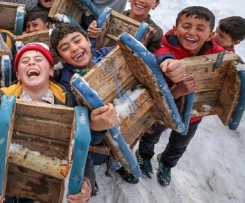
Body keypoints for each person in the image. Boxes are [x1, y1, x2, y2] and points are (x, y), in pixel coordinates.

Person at [50, 22, 185, 180]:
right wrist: (95, 128)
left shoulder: (110, 53)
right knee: (114, 154)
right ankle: (116, 164)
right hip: (104, 141)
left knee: (133, 138)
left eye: (77, 40)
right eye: (65, 48)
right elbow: (77, 130)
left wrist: (166, 62)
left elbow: (146, 57)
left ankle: (121, 162)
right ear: (61, 58)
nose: (73, 48)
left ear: (88, 39)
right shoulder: (67, 87)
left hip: (135, 115)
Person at [0, 42, 95, 203]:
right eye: (25, 62)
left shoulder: (68, 101)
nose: (31, 63)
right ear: (18, 74)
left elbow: (82, 150)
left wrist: (87, 181)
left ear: (51, 70)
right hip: (16, 186)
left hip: (56, 185)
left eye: (39, 59)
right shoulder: (3, 103)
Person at [136, 6, 223, 187]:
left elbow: (232, 75)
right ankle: (144, 155)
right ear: (175, 29)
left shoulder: (218, 55)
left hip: (193, 115)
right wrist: (170, 67)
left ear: (210, 35)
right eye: (186, 26)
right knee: (151, 136)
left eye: (200, 28)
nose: (192, 32)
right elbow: (163, 58)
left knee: (179, 144)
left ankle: (167, 163)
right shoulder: (164, 51)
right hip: (164, 111)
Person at [88, 0, 165, 53]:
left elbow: (152, 60)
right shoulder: (111, 17)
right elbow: (93, 42)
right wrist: (93, 31)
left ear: (155, 5)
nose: (141, 0)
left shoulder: (155, 32)